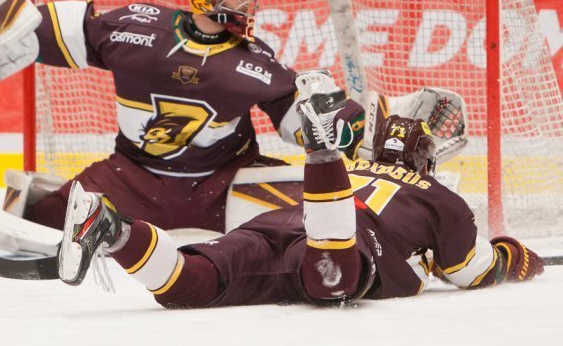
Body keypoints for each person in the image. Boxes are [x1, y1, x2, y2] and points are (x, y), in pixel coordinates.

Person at [0, 0, 366, 248]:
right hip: (132, 178)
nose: (246, 1)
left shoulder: (254, 60)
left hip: (224, 182)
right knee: (28, 228)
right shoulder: (137, 29)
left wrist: (335, 121)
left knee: (327, 222)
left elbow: (301, 121)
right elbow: (53, 29)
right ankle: (39, 201)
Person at [58, 70, 545, 307]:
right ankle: (319, 151)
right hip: (338, 244)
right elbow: (477, 272)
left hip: (275, 224)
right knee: (330, 281)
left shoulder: (363, 167)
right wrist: (523, 256)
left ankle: (113, 229)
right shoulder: (443, 200)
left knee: (188, 285)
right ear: (429, 156)